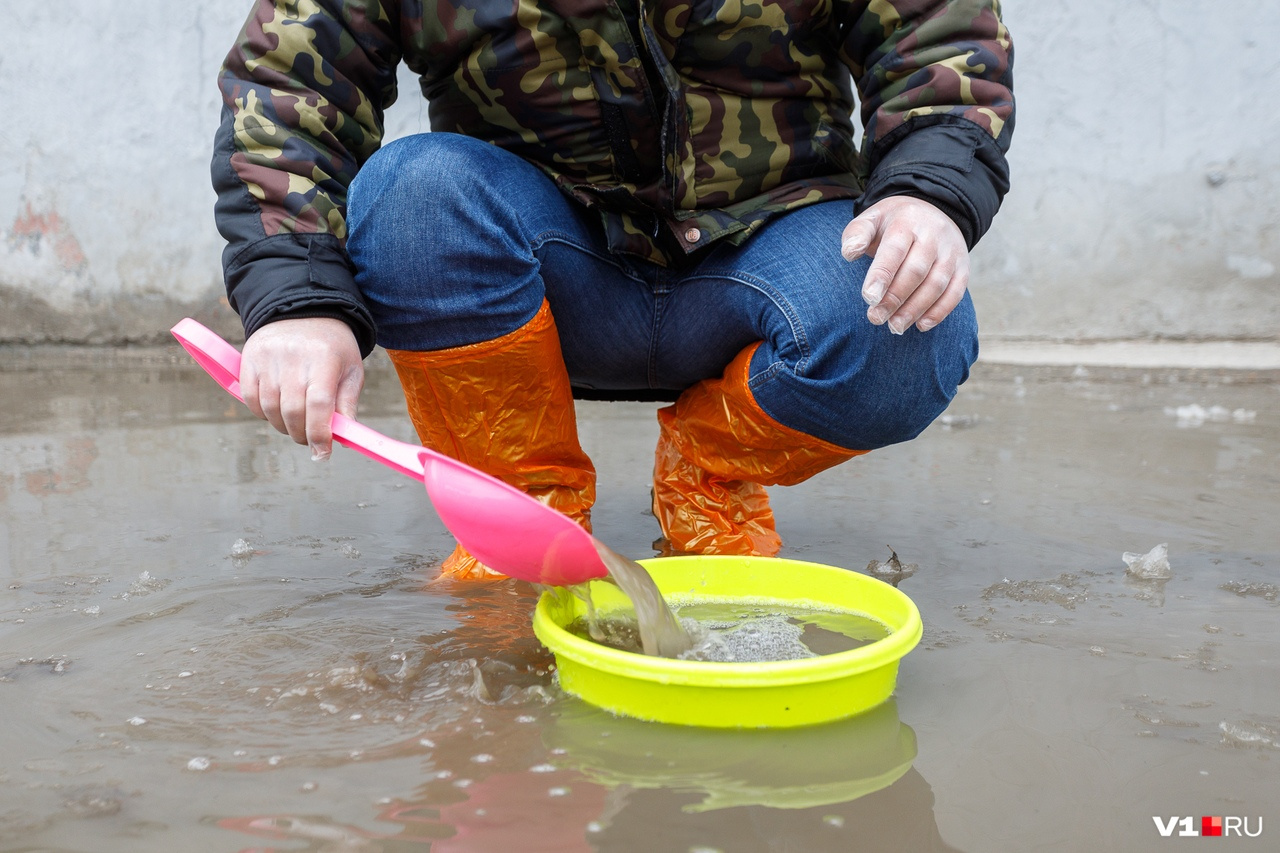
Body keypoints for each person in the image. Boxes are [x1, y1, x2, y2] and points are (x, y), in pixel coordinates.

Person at [213, 0, 1014, 578]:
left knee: (912, 314)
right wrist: (300, 301)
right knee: (413, 194)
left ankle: (707, 480)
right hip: (548, 266)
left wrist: (927, 189)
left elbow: (935, 30)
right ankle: (524, 524)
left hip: (770, 245)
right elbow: (288, 89)